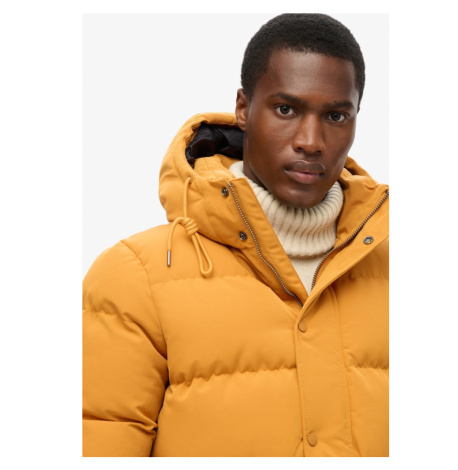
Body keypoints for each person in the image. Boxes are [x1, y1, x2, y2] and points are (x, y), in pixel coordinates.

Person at [82, 13, 389, 457]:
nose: (311, 141)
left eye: (336, 115)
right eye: (286, 109)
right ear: (243, 109)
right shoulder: (137, 277)